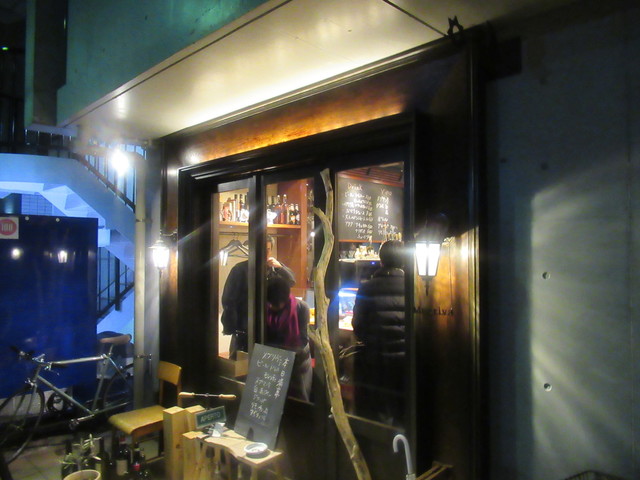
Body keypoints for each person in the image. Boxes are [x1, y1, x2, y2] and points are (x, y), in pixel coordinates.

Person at [351, 240, 406, 425]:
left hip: (376, 360)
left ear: (381, 260)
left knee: (377, 414)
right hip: (404, 361)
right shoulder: (414, 286)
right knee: (401, 412)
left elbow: (358, 326)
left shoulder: (367, 288)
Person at [221, 235, 295, 358]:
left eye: (268, 249)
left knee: (264, 364)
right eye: (261, 249)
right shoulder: (240, 269)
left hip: (270, 328)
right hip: (244, 328)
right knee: (240, 364)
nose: (264, 253)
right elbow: (229, 299)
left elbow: (292, 281)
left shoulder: (275, 269)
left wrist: (281, 268)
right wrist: (232, 326)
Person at [265, 275, 312, 401]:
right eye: (271, 304)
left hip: (298, 361)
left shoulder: (301, 308)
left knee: (299, 398)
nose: (273, 307)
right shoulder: (264, 309)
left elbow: (302, 340)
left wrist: (285, 354)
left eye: (277, 304)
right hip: (273, 361)